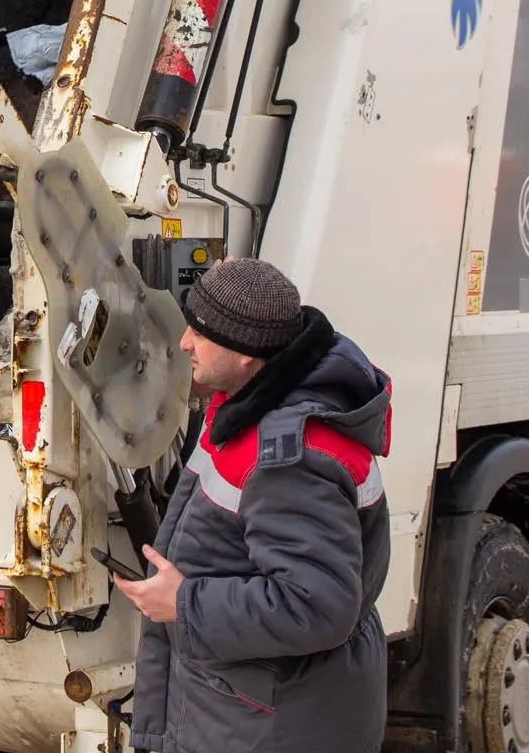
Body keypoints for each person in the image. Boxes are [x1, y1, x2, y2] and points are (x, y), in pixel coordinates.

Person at [113, 257, 392, 753]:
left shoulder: (290, 459)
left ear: (246, 355)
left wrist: (182, 603)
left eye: (201, 332)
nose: (183, 342)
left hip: (271, 727)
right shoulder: (249, 402)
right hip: (248, 715)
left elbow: (317, 605)